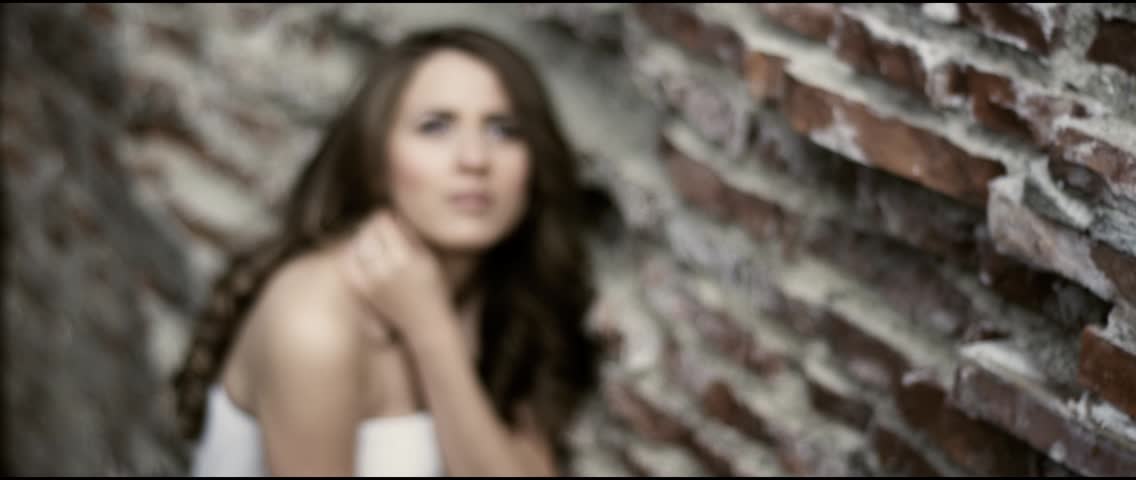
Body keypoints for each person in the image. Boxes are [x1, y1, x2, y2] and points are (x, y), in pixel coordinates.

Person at [171, 26, 600, 477]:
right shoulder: (316, 321)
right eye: (435, 126)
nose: (474, 158)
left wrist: (431, 330)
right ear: (375, 161)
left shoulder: (501, 294)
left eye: (503, 129)